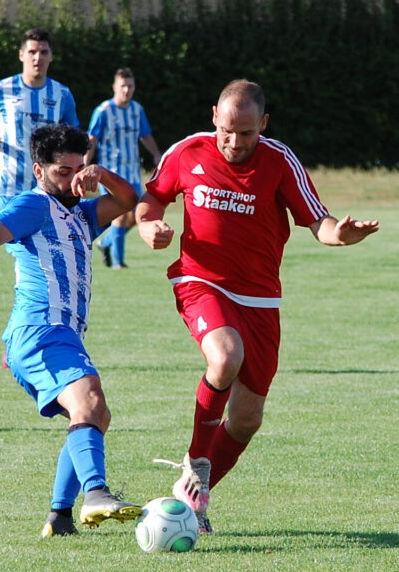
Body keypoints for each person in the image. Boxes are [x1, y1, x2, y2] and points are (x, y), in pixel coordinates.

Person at [136, 80, 379, 534]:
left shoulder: (280, 161)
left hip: (260, 298)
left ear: (262, 125)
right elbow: (152, 199)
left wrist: (340, 236)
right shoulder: (187, 152)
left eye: (246, 133)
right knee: (225, 356)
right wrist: (149, 226)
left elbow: (318, 221)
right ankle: (198, 461)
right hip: (200, 281)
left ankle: (193, 503)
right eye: (227, 130)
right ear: (214, 116)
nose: (234, 141)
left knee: (247, 419)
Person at [0, 123, 141, 537]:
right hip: (41, 330)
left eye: (80, 169)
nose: (74, 179)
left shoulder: (81, 213)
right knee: (90, 397)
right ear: (39, 171)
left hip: (57, 335)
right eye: (64, 171)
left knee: (95, 414)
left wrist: (101, 175)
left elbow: (129, 199)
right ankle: (96, 493)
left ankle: (59, 518)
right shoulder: (35, 205)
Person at [0, 28, 79, 215]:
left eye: (43, 52)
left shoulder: (62, 94)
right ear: (21, 55)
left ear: (51, 56)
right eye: (32, 52)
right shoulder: (1, 90)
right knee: (16, 241)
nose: (38, 58)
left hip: (47, 183)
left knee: (39, 242)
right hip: (7, 184)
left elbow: (73, 136)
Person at [85, 68, 162, 270]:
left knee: (138, 214)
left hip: (132, 172)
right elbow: (92, 139)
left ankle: (106, 242)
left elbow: (145, 135)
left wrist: (156, 154)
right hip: (111, 173)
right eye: (123, 86)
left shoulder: (137, 110)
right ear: (114, 87)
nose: (127, 90)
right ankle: (118, 263)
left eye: (130, 86)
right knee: (120, 214)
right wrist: (85, 164)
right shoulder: (103, 111)